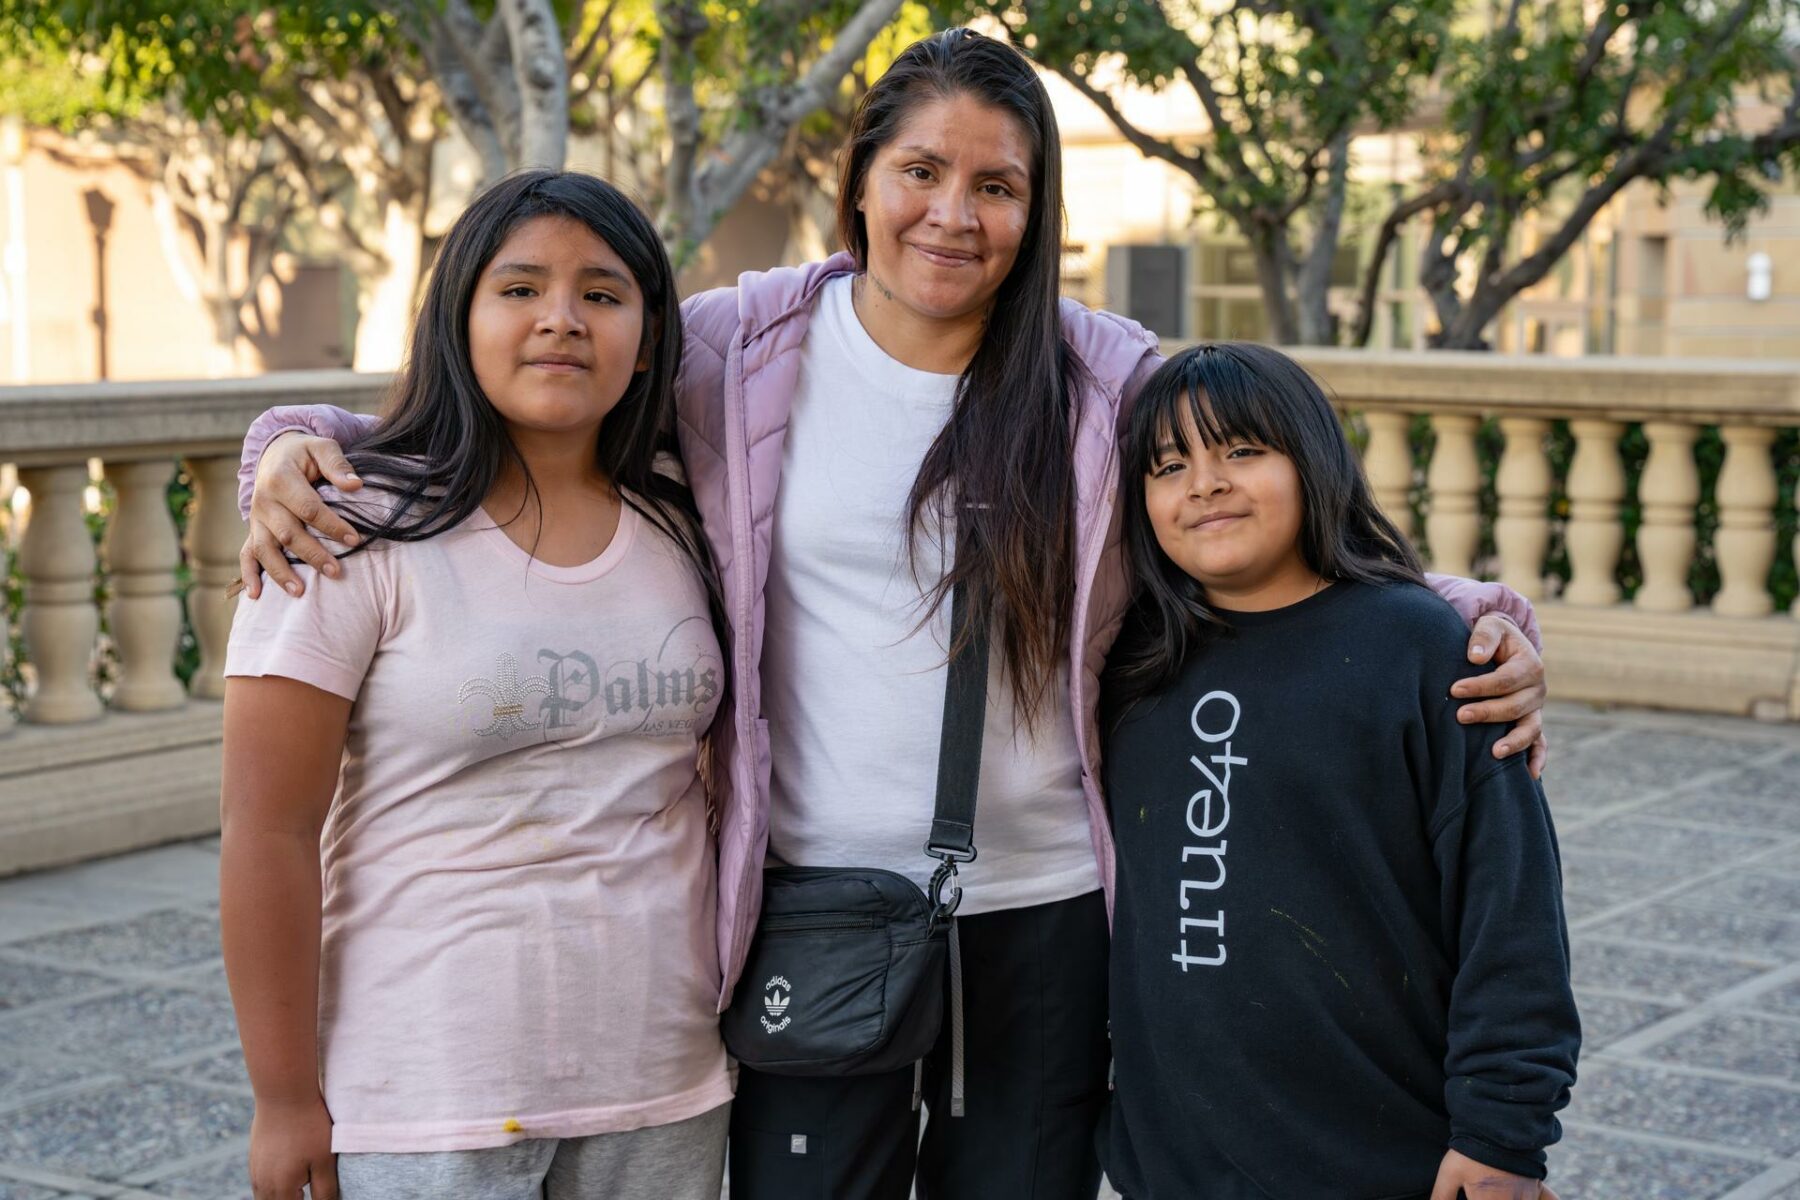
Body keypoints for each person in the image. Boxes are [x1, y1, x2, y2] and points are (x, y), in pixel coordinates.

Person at [230, 30, 1550, 1200]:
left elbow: (1265, 518)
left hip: (1047, 904)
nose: (953, 214)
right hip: (813, 900)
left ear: (1036, 208)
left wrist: (1476, 622)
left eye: (997, 185)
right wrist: (286, 444)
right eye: (921, 171)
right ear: (859, 180)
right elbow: (520, 390)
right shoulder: (737, 347)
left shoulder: (1105, 377)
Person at [218, 171, 733, 1200]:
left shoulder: (694, 516)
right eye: (519, 288)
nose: (561, 321)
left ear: (647, 332)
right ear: (458, 316)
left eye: (601, 293)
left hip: (665, 1082)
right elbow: (265, 831)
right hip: (427, 1093)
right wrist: (283, 1099)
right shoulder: (346, 525)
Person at [1099, 343, 1578, 1200]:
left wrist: (1504, 1133)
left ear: (1314, 460)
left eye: (1241, 451)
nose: (1204, 483)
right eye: (1170, 466)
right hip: (1172, 1164)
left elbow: (1510, 910)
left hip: (1383, 1157)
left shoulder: (1425, 651)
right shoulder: (1127, 666)